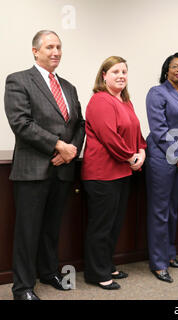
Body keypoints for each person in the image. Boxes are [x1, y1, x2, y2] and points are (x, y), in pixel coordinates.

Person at [4, 30, 85, 300]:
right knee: (28, 232)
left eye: (59, 47)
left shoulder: (69, 87)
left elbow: (80, 125)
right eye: (50, 47)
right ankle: (23, 287)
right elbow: (21, 123)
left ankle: (49, 272)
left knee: (52, 228)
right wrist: (58, 145)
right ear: (35, 51)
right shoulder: (18, 80)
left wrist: (70, 151)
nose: (56, 52)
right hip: (33, 171)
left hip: (62, 170)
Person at [82, 56, 146, 290]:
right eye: (115, 71)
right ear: (104, 76)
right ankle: (96, 273)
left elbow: (137, 133)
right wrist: (131, 158)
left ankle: (106, 265)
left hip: (122, 173)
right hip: (102, 174)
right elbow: (110, 137)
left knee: (114, 225)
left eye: (124, 72)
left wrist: (142, 152)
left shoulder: (126, 102)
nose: (121, 75)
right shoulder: (100, 100)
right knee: (101, 226)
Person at [145, 52, 178, 283]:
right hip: (162, 158)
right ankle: (158, 263)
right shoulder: (157, 93)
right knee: (160, 210)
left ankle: (169, 254)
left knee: (172, 209)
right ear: (167, 69)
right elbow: (159, 129)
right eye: (175, 66)